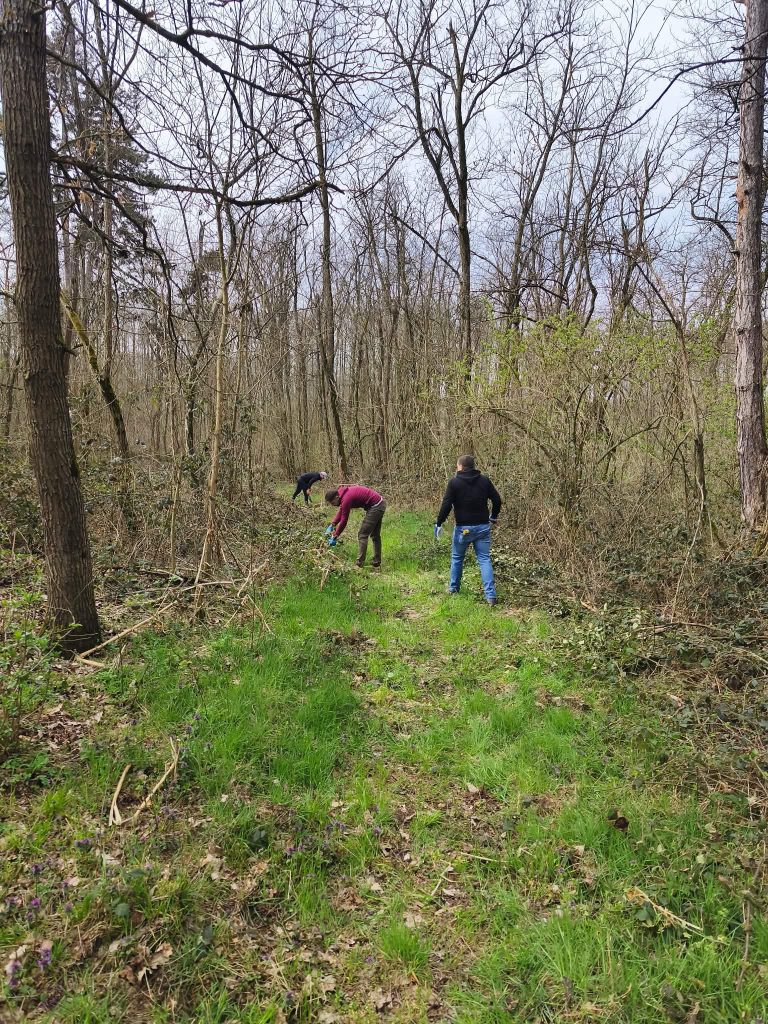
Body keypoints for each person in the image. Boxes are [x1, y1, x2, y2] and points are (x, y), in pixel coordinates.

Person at [434, 455, 502, 605]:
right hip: (483, 527)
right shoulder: (484, 480)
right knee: (484, 559)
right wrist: (493, 516)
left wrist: (439, 522)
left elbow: (446, 505)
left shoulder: (454, 482)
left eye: (457, 465)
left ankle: (454, 589)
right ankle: (491, 596)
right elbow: (497, 500)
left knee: (457, 558)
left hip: (463, 529)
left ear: (461, 467)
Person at [325, 484, 386, 567]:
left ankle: (359, 563)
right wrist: (333, 524)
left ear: (336, 497)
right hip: (379, 503)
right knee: (375, 535)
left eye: (332, 503)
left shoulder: (346, 498)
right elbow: (342, 510)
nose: (333, 505)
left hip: (376, 507)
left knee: (362, 534)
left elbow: (344, 520)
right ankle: (376, 561)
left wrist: (335, 535)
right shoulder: (342, 495)